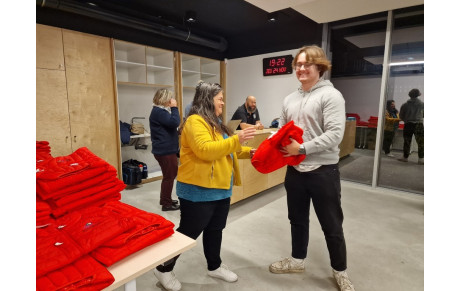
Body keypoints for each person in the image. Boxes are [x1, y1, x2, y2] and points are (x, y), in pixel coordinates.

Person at [153, 82, 256, 291]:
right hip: (197, 190)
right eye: (220, 98)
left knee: (215, 228)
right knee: (188, 232)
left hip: (220, 187)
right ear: (209, 99)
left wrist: (248, 151)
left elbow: (226, 149)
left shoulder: (216, 122)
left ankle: (214, 265)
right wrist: (236, 140)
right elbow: (206, 150)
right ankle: (163, 269)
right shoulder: (194, 122)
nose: (223, 102)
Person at [269, 45, 355, 291]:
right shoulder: (289, 99)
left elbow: (335, 134)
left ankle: (340, 271)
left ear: (320, 67)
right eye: (298, 64)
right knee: (297, 219)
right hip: (295, 171)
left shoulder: (331, 96)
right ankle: (297, 260)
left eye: (307, 64)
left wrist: (303, 148)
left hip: (323, 171)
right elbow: (282, 132)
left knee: (331, 224)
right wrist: (268, 147)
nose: (301, 69)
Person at [149, 88, 180, 211]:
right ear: (164, 99)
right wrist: (174, 107)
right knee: (169, 177)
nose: (171, 100)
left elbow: (169, 127)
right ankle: (166, 204)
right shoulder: (159, 112)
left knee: (169, 176)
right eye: (170, 98)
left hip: (165, 150)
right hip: (165, 151)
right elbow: (174, 122)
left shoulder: (159, 111)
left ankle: (166, 199)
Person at [398, 88, 424, 164]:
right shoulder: (422, 104)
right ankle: (421, 159)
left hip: (408, 124)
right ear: (418, 95)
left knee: (407, 141)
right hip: (418, 124)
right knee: (421, 142)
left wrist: (407, 119)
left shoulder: (404, 105)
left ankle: (405, 157)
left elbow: (401, 116)